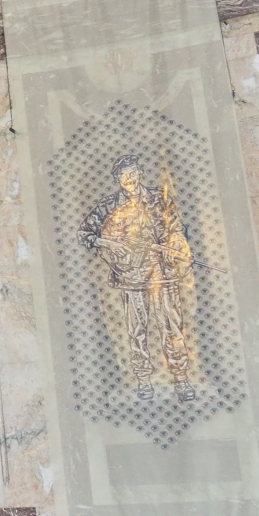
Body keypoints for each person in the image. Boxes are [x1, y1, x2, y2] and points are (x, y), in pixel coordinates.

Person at [77, 155, 196, 403]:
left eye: (132, 174)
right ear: (117, 179)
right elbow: (85, 233)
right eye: (123, 176)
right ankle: (143, 380)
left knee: (172, 328)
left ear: (140, 173)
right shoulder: (107, 206)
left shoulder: (159, 199)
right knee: (137, 331)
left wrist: (173, 245)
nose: (129, 180)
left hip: (163, 275)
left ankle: (181, 379)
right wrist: (108, 242)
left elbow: (177, 230)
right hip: (130, 277)